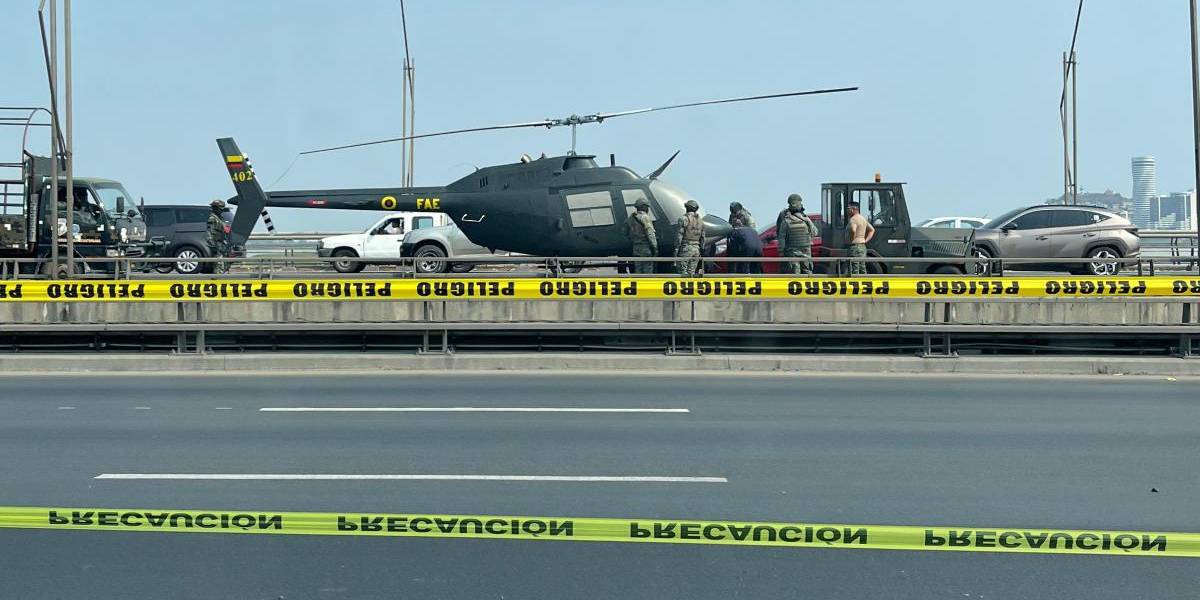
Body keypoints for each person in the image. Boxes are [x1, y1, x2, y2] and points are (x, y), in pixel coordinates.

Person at [776, 193, 818, 274]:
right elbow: (815, 232)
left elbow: (781, 237)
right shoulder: (805, 219)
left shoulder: (785, 219)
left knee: (795, 273)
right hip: (805, 250)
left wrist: (781, 251)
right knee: (807, 272)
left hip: (792, 250)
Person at [624, 197, 658, 274]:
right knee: (647, 270)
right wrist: (655, 248)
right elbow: (650, 233)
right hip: (645, 248)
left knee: (638, 270)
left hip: (636, 248)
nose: (648, 209)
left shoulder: (631, 218)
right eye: (646, 206)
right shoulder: (645, 217)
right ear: (643, 206)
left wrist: (633, 238)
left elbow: (624, 232)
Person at [674, 199, 704, 276]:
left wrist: (676, 249)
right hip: (696, 249)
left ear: (687, 208)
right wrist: (701, 249)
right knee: (691, 273)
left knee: (682, 273)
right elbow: (703, 237)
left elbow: (679, 235)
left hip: (685, 248)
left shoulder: (684, 219)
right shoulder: (701, 221)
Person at [846, 200, 875, 275]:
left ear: (853, 209)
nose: (847, 210)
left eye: (848, 208)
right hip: (862, 246)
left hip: (854, 246)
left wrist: (852, 239)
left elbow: (853, 229)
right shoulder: (863, 218)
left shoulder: (853, 219)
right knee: (862, 267)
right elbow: (872, 230)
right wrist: (866, 240)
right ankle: (864, 282)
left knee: (854, 268)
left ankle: (855, 285)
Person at [207, 199, 230, 274]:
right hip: (215, 243)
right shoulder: (212, 218)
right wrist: (212, 244)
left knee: (224, 263)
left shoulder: (219, 218)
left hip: (221, 243)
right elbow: (209, 232)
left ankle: (221, 277)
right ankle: (217, 279)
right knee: (218, 263)